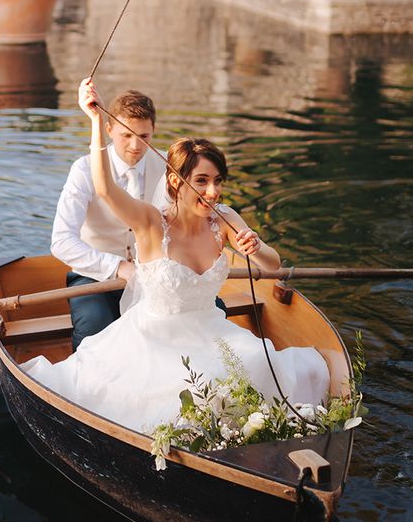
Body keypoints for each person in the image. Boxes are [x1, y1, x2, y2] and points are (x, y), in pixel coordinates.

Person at [22, 78, 330, 433]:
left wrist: (256, 246)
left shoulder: (222, 215)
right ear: (177, 182)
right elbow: (100, 194)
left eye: (218, 181)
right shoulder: (148, 218)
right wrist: (92, 120)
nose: (212, 191)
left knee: (256, 361)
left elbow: (273, 267)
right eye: (201, 181)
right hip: (116, 289)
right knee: (96, 333)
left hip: (202, 323)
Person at [50, 86, 167, 351]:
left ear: (154, 130)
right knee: (95, 326)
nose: (136, 146)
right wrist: (118, 267)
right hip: (93, 276)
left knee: (201, 312)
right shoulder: (83, 169)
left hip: (153, 273)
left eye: (144, 136)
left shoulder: (168, 165)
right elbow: (61, 241)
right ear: (109, 129)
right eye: (126, 135)